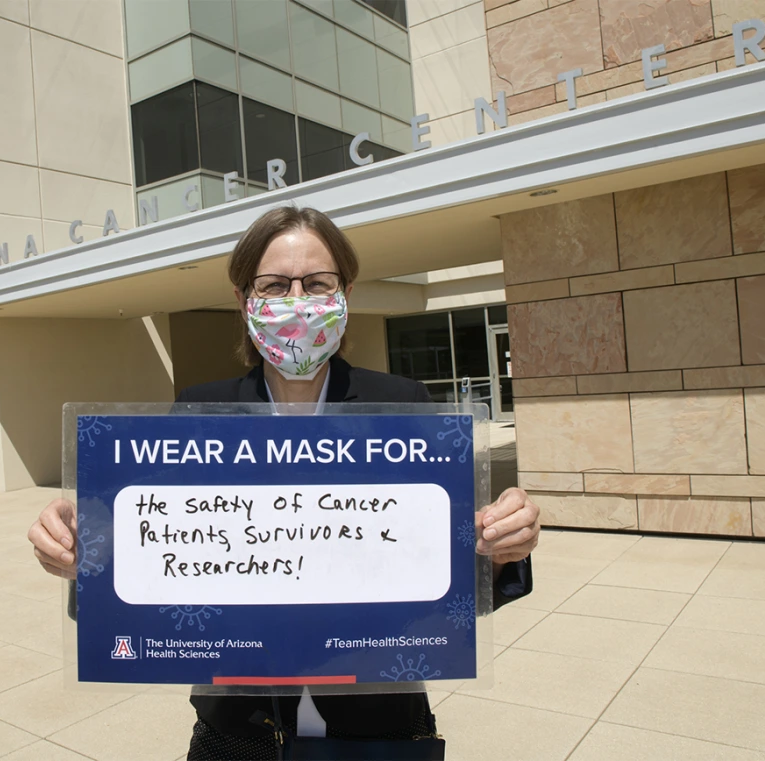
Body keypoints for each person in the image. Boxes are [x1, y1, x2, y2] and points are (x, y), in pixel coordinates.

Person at [29, 205, 540, 759]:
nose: (297, 301)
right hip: (237, 731)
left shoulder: (402, 408)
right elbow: (154, 568)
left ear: (344, 293)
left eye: (316, 283)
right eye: (275, 285)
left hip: (379, 725)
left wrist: (499, 545)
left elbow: (449, 581)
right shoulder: (198, 413)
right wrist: (85, 554)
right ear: (245, 300)